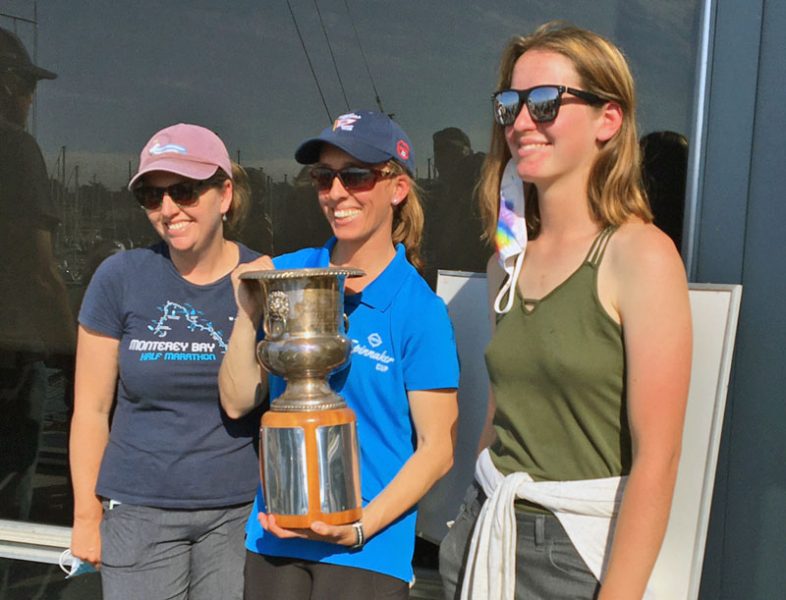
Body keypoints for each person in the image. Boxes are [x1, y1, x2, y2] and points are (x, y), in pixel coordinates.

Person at [438, 22, 692, 600]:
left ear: (609, 119)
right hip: (485, 531)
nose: (522, 122)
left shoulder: (640, 255)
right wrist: (467, 515)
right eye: (510, 105)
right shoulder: (506, 259)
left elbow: (659, 458)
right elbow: (503, 409)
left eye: (546, 103)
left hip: (572, 554)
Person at [219, 110, 460, 599]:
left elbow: (438, 450)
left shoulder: (419, 310)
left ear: (397, 188)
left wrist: (359, 527)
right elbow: (238, 402)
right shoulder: (286, 275)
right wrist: (247, 312)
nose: (337, 192)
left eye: (356, 175)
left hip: (367, 550)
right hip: (275, 535)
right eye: (323, 177)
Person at [69, 123, 262, 600]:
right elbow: (91, 410)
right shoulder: (120, 278)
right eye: (152, 198)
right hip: (138, 512)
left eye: (184, 191)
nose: (168, 209)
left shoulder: (265, 278)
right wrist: (86, 517)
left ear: (225, 194)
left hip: (239, 514)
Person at [0, 26, 74, 520]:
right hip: (11, 358)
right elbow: (41, 270)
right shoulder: (16, 150)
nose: (31, 100)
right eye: (29, 87)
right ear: (9, 86)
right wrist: (73, 353)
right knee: (10, 485)